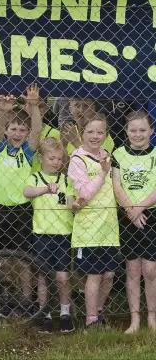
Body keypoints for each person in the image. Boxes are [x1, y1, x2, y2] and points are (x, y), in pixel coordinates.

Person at [68, 113, 120, 329]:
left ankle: (98, 312)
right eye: (90, 131)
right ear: (82, 134)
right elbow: (84, 194)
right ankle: (91, 321)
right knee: (94, 274)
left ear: (106, 135)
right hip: (89, 228)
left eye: (100, 132)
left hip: (109, 226)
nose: (95, 136)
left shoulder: (107, 155)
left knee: (109, 274)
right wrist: (102, 173)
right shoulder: (77, 159)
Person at [23, 138, 75, 334]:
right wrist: (45, 189)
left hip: (63, 235)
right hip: (42, 235)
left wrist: (77, 205)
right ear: (41, 158)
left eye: (59, 159)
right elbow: (27, 192)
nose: (56, 162)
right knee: (43, 276)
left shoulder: (66, 180)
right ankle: (44, 313)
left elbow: (70, 203)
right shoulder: (35, 178)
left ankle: (64, 313)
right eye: (51, 158)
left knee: (62, 276)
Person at [112, 111, 156, 333]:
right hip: (127, 215)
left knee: (150, 269)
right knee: (133, 268)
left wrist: (140, 208)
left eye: (142, 130)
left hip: (151, 214)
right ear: (126, 132)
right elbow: (117, 185)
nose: (137, 134)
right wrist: (130, 210)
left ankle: (152, 317)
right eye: (132, 130)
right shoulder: (119, 153)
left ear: (151, 131)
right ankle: (135, 319)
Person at [0, 86, 42, 253]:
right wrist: (2, 111)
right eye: (13, 129)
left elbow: (37, 129)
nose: (17, 133)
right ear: (6, 130)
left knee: (22, 256)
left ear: (27, 133)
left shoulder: (27, 150)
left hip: (22, 209)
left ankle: (24, 280)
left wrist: (33, 106)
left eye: (22, 130)